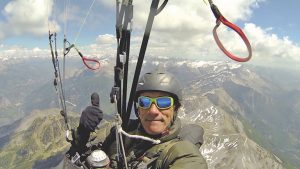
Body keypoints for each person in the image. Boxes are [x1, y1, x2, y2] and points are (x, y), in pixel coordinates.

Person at [102, 67, 208, 169]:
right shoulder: (125, 131)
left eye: (164, 102)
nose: (153, 111)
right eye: (145, 102)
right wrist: (86, 130)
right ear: (138, 108)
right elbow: (101, 133)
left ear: (175, 109)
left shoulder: (184, 155)